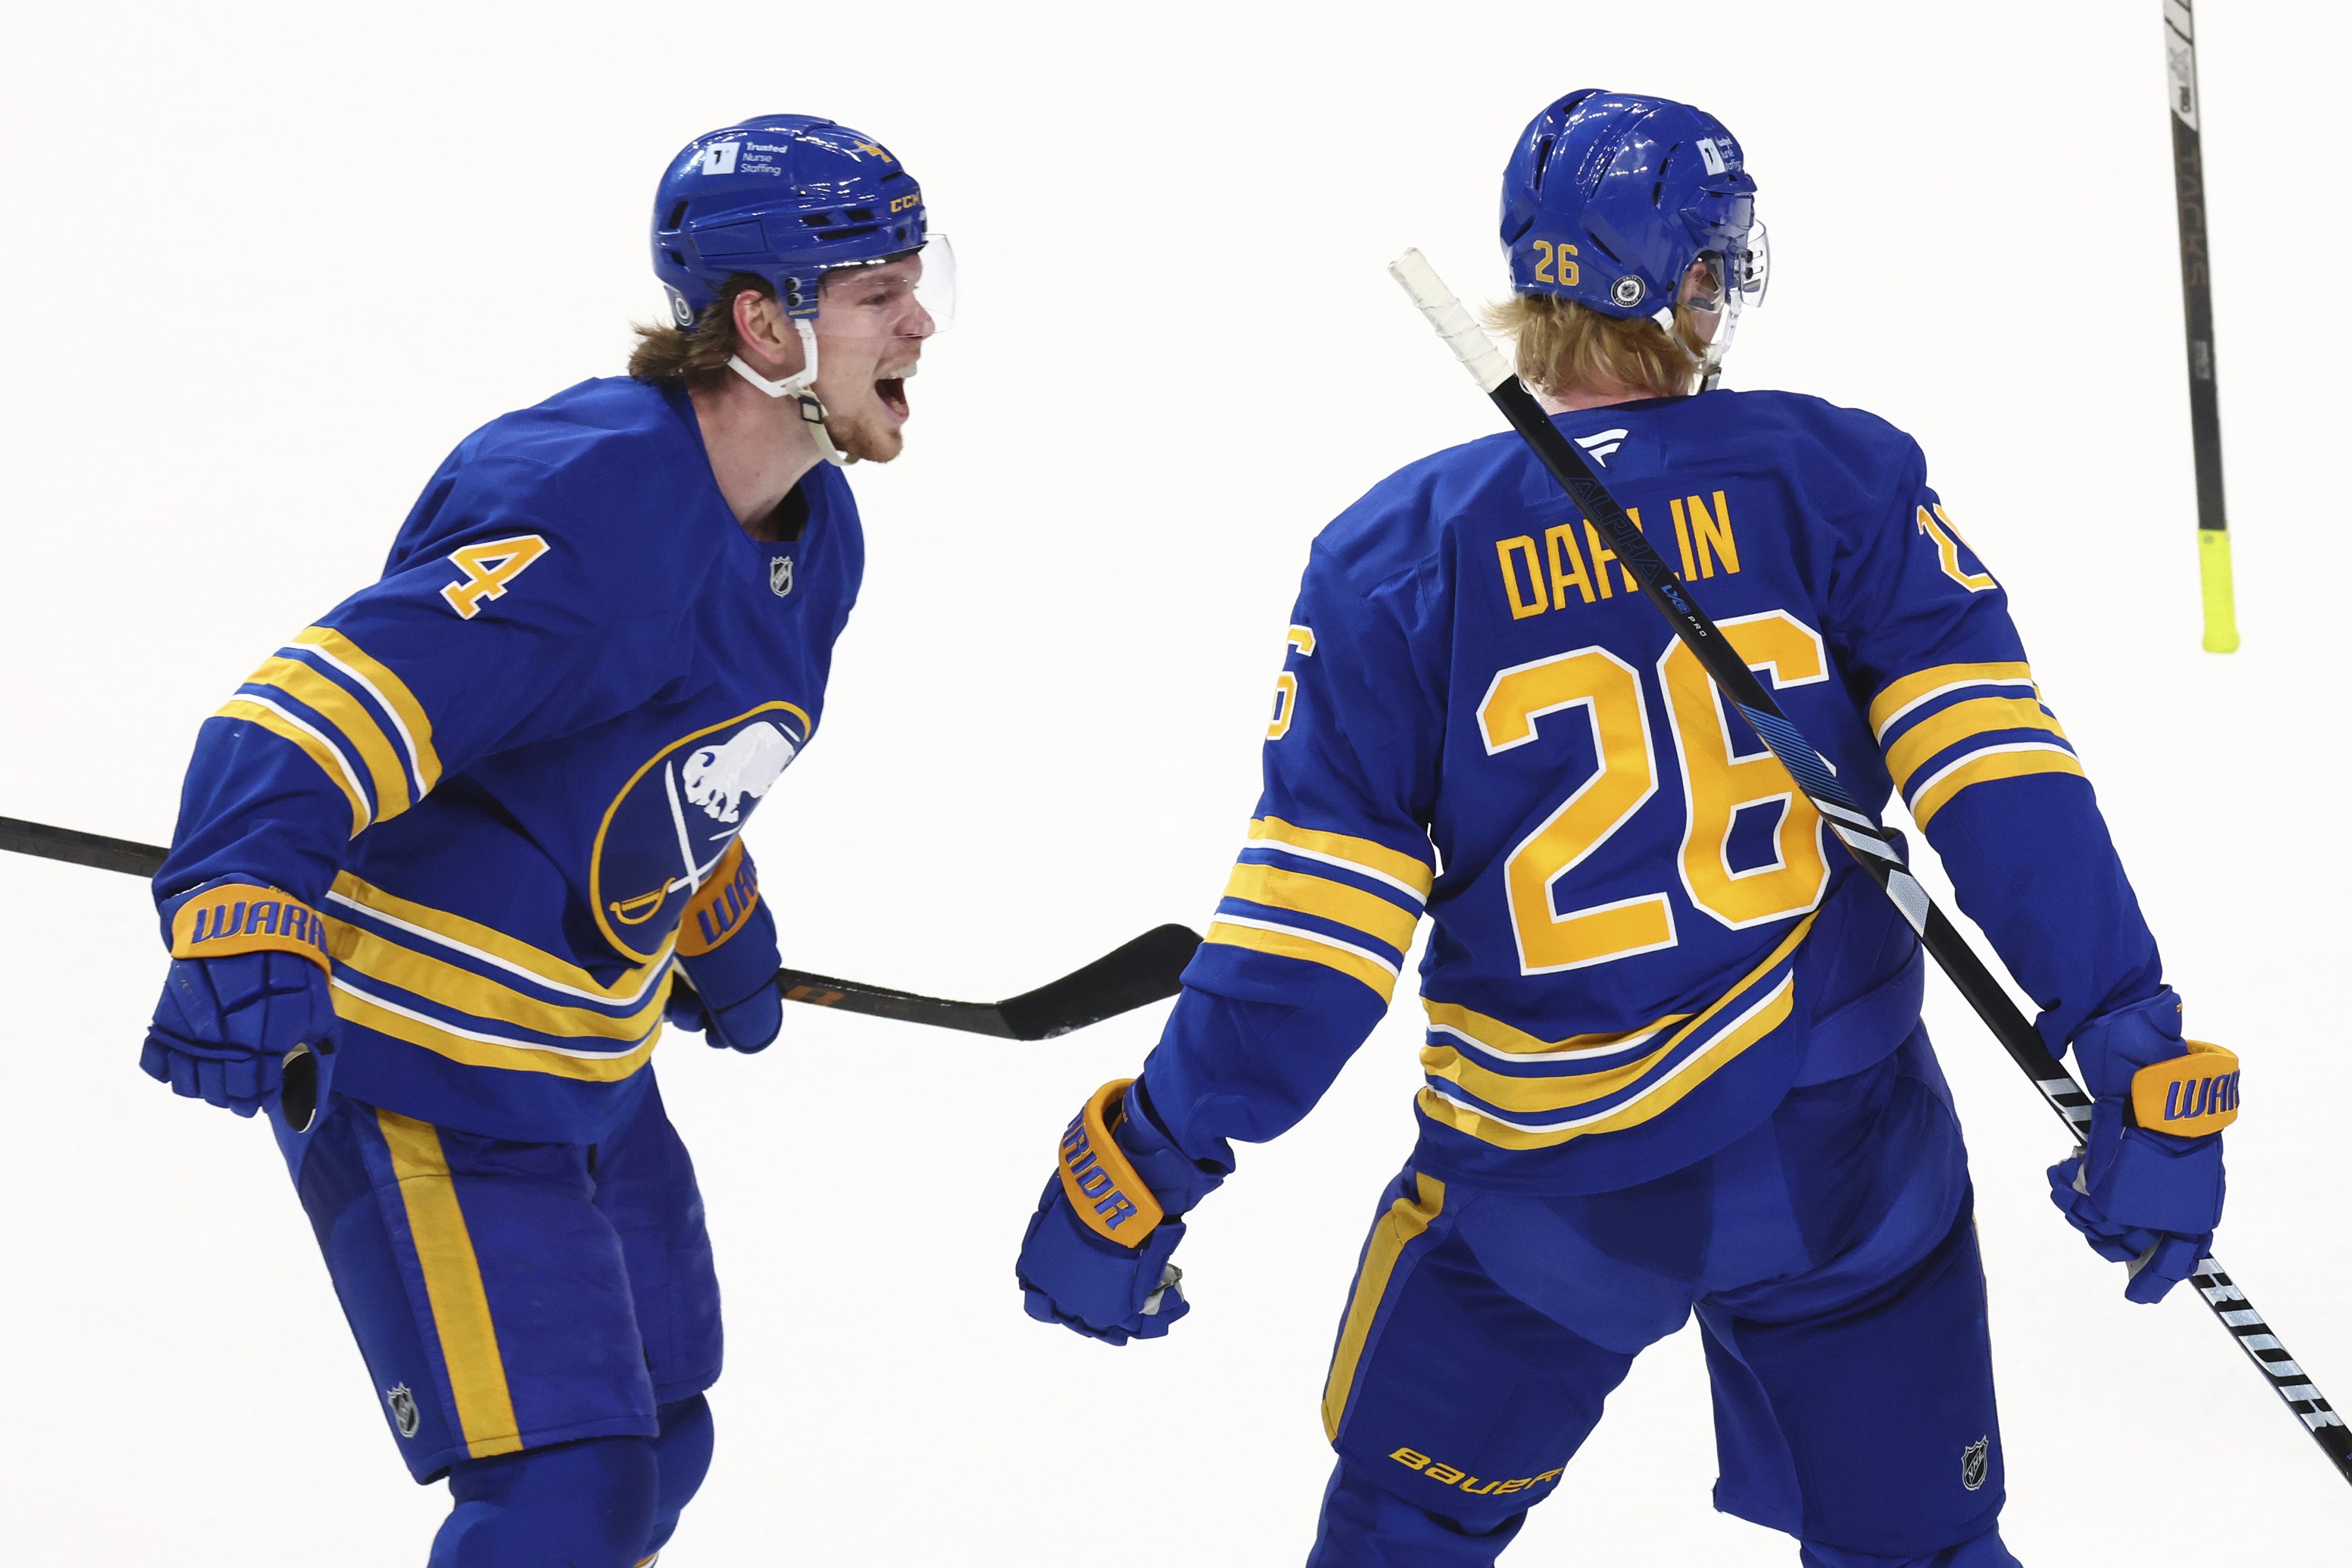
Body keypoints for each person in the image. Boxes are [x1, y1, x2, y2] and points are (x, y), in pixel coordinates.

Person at [1013, 89, 2234, 1567]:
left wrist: (1159, 1147)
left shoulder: (1395, 555)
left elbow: (1311, 936)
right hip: (1847, 1168)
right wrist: (2129, 1038)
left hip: (1547, 1205)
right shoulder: (1839, 477)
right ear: (1699, 281)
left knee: (1401, 1537)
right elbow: (2000, 780)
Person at [140, 112, 949, 1567]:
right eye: (877, 290)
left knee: (663, 1438)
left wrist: (700, 897)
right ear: (761, 320)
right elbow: (313, 706)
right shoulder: (593, 508)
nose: (922, 318)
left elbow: (630, 744)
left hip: (581, 1069)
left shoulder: (812, 529)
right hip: (422, 1076)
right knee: (561, 1497)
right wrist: (239, 892)